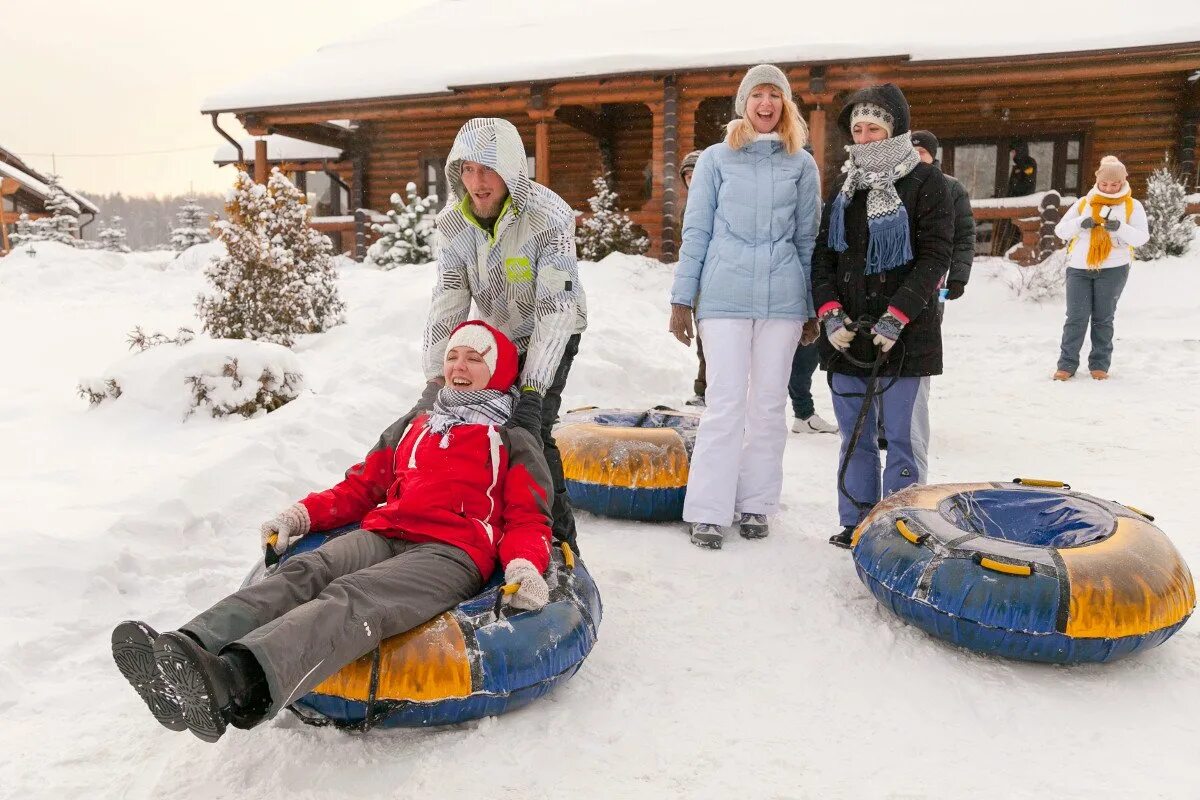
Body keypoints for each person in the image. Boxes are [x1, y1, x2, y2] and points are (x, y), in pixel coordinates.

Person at [111, 321, 555, 743]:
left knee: (355, 597)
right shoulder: (416, 425)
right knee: (305, 571)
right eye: (453, 355)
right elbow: (362, 485)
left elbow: (529, 517)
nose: (459, 366)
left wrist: (524, 564)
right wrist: (300, 515)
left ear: (498, 371)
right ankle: (186, 648)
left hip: (450, 552)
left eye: (475, 358)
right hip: (386, 532)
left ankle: (234, 678)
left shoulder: (510, 438)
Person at [668, 64, 822, 550]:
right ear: (743, 103)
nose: (765, 103)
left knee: (769, 403)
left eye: (774, 95)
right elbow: (696, 232)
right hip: (724, 295)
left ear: (785, 105)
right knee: (725, 402)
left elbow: (807, 239)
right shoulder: (717, 159)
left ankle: (756, 503)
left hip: (782, 297)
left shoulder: (802, 164)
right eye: (757, 94)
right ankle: (709, 510)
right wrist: (680, 299)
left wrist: (810, 307)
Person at [420, 117, 587, 551]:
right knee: (484, 425)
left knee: (531, 431)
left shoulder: (548, 217)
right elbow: (449, 299)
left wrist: (532, 390)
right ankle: (494, 525)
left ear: (511, 169)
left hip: (553, 330)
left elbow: (556, 306)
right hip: (500, 335)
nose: (477, 182)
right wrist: (434, 378)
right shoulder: (455, 225)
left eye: (488, 169)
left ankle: (562, 540)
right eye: (469, 170)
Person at [811, 84, 954, 549]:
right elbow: (822, 258)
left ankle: (902, 529)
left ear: (895, 130)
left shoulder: (927, 183)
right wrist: (830, 315)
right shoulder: (844, 188)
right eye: (858, 129)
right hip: (849, 338)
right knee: (855, 438)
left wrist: (896, 317)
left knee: (904, 440)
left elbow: (935, 258)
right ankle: (855, 522)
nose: (866, 136)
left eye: (875, 127)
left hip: (905, 337)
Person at [1052, 155, 1149, 381]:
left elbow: (1142, 237)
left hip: (1114, 269)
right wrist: (1080, 223)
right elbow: (1061, 231)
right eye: (1105, 183)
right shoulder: (1084, 203)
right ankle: (1066, 365)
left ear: (1123, 181)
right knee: (1076, 317)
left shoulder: (1132, 206)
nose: (1109, 188)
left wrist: (1119, 228)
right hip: (1079, 268)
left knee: (1103, 318)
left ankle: (1099, 365)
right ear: (1098, 181)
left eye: (1114, 184)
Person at [911, 130, 975, 302]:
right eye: (912, 151)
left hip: (935, 271)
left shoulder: (952, 188)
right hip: (898, 274)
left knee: (929, 322)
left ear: (932, 155)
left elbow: (964, 235)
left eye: (921, 152)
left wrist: (958, 278)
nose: (916, 156)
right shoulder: (897, 185)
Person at [679, 149, 708, 408]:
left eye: (696, 174)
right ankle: (703, 390)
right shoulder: (687, 210)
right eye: (687, 176)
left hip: (720, 281)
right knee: (704, 341)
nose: (692, 180)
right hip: (700, 286)